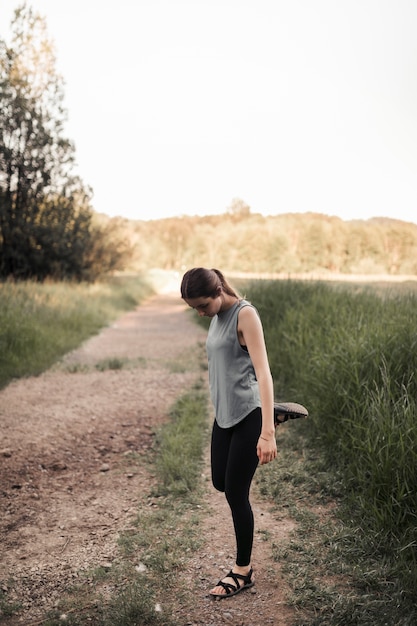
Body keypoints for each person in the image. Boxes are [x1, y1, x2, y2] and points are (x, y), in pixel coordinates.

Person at [180, 267, 277, 599]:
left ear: (218, 291)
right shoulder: (216, 315)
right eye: (194, 308)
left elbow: (263, 374)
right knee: (220, 481)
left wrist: (267, 434)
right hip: (225, 415)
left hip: (250, 413)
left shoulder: (244, 315)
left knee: (236, 493)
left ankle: (243, 570)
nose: (200, 312)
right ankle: (273, 413)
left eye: (202, 306)